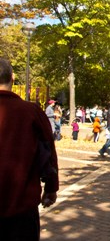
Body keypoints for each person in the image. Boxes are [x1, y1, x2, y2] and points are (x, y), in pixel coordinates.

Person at [0, 58, 59, 240]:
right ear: (13, 77)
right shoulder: (31, 112)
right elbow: (48, 153)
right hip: (21, 206)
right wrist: (51, 187)